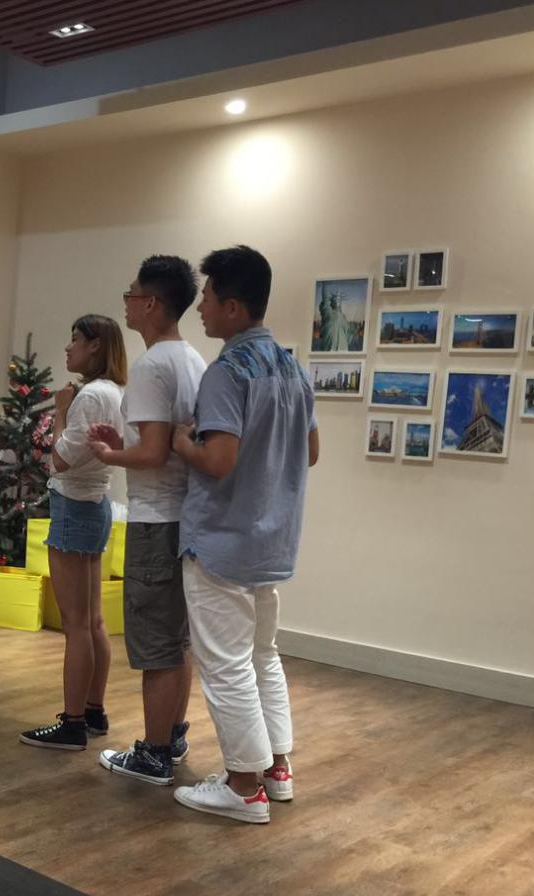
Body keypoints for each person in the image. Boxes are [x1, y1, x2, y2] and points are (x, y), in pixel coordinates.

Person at [169, 245, 319, 824]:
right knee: (262, 657)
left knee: (226, 664)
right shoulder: (293, 368)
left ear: (232, 306)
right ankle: (277, 770)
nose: (200, 307)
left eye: (207, 297)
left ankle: (243, 787)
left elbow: (218, 460)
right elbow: (310, 451)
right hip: (273, 542)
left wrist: (183, 442)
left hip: (223, 541)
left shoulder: (227, 372)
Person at [91, 255, 206, 784]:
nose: (127, 304)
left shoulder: (152, 365)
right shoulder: (193, 360)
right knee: (176, 640)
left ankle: (154, 751)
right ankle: (172, 736)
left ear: (152, 303)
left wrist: (111, 455)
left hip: (157, 518)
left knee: (156, 645)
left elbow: (155, 453)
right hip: (185, 516)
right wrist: (125, 444)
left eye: (131, 295)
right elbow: (163, 442)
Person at [19, 315, 126, 751]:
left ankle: (73, 722)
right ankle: (94, 709)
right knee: (93, 620)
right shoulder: (115, 392)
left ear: (95, 346)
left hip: (75, 505)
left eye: (75, 339)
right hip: (96, 504)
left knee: (76, 624)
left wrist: (61, 410)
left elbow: (60, 460)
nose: (68, 348)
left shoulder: (90, 396)